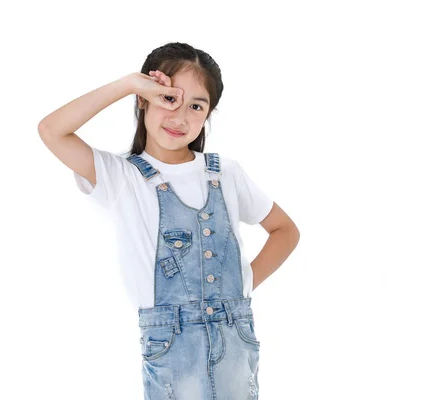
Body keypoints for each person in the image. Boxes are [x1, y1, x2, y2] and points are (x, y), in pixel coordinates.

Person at [38, 42, 300, 399]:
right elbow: (52, 130)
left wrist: (243, 286)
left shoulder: (226, 174)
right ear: (144, 100)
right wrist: (127, 85)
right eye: (169, 99)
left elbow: (285, 231)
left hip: (235, 335)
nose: (180, 117)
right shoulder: (122, 177)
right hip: (171, 345)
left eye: (196, 105)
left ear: (209, 114)